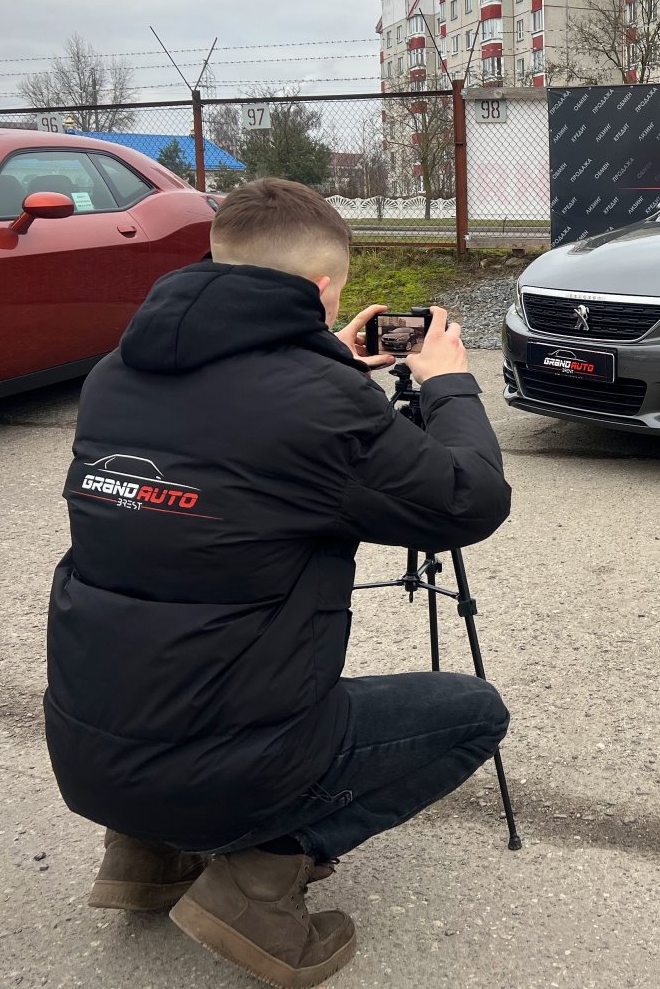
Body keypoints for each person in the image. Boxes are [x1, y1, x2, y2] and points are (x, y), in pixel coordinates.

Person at [43, 177, 512, 989]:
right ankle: (255, 883)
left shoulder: (117, 372)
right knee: (473, 714)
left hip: (88, 750)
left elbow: (251, 444)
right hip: (233, 766)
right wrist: (445, 382)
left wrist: (335, 363)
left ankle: (145, 854)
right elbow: (467, 500)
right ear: (325, 288)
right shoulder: (319, 402)